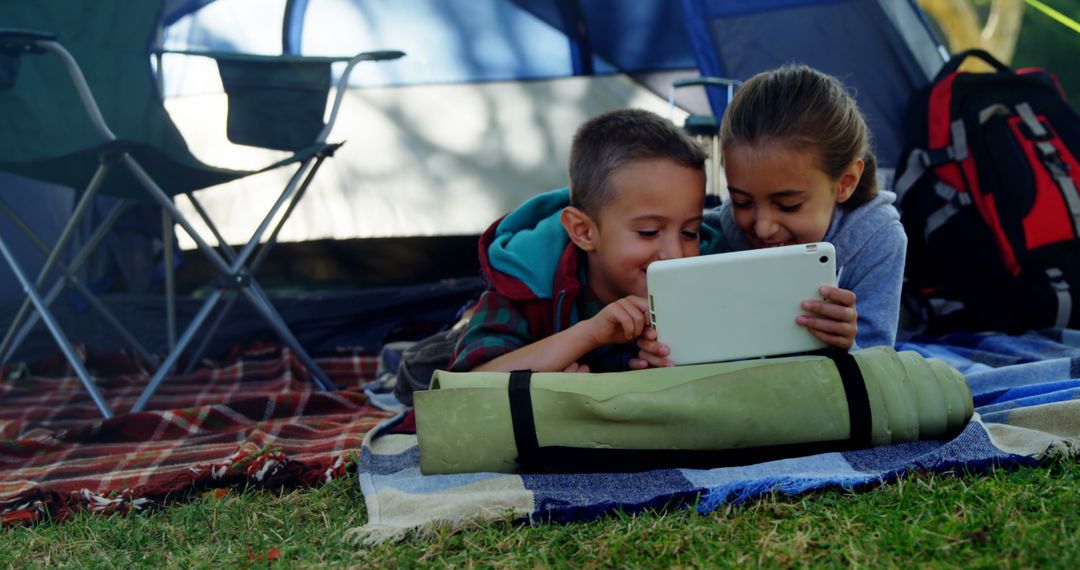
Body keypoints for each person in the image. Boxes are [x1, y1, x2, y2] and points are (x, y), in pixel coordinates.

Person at [448, 108, 714, 373]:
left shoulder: (713, 273)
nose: (675, 253)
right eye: (648, 231)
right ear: (584, 231)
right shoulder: (527, 285)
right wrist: (587, 335)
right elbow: (465, 386)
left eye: (690, 232)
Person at [674, 64, 904, 353]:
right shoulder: (705, 235)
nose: (763, 228)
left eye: (788, 205)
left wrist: (849, 346)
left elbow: (881, 369)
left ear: (845, 183)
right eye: (742, 202)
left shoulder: (879, 240)